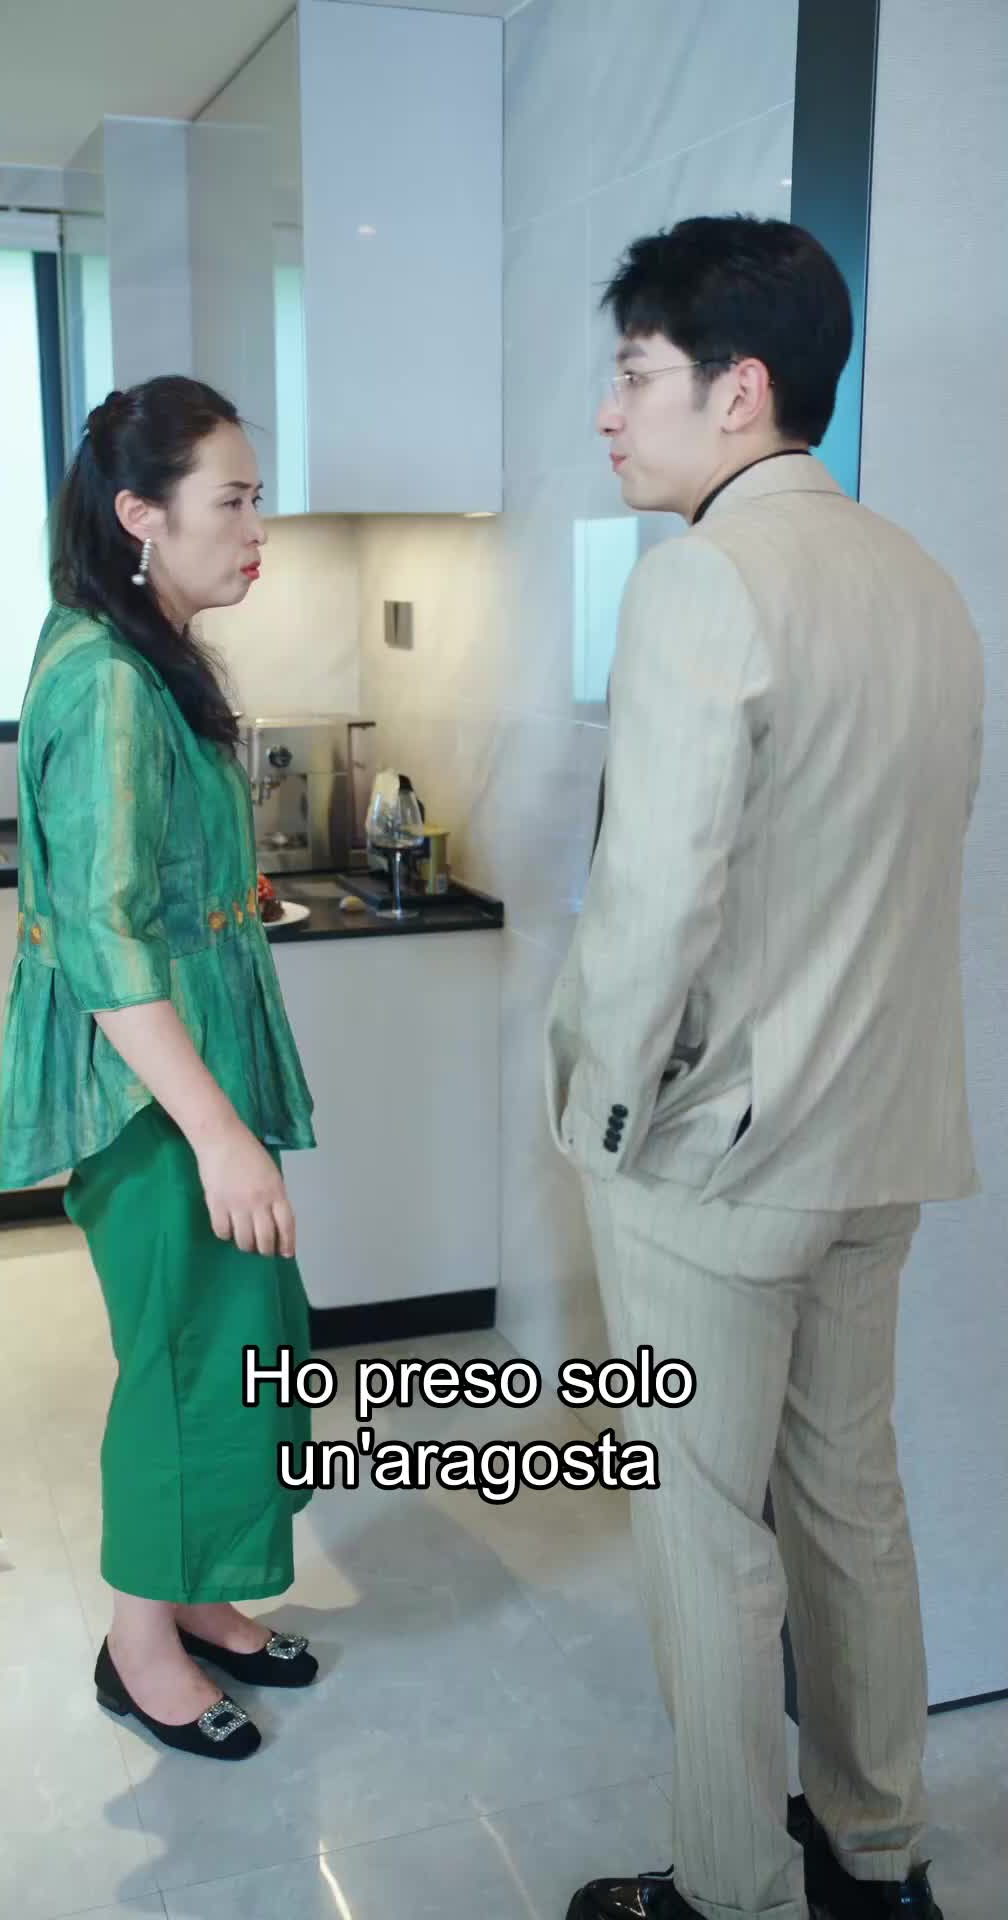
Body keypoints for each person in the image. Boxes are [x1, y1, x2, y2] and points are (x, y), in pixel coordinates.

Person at [545, 217, 983, 1920]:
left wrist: (596, 1119)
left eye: (635, 375)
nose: (609, 413)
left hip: (721, 1165)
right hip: (883, 1143)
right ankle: (879, 1863)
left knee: (706, 1532)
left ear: (738, 391)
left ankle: (731, 1894)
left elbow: (657, 901)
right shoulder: (922, 580)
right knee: (852, 1509)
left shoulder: (701, 578)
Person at [0, 376, 320, 1762]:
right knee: (187, 1359)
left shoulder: (143, 650)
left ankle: (194, 1596)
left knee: (242, 1345)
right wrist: (219, 1136)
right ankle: (139, 1647)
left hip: (191, 1078)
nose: (257, 528)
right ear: (141, 514)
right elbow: (104, 940)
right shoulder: (108, 682)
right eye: (230, 500)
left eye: (258, 498)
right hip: (156, 1098)